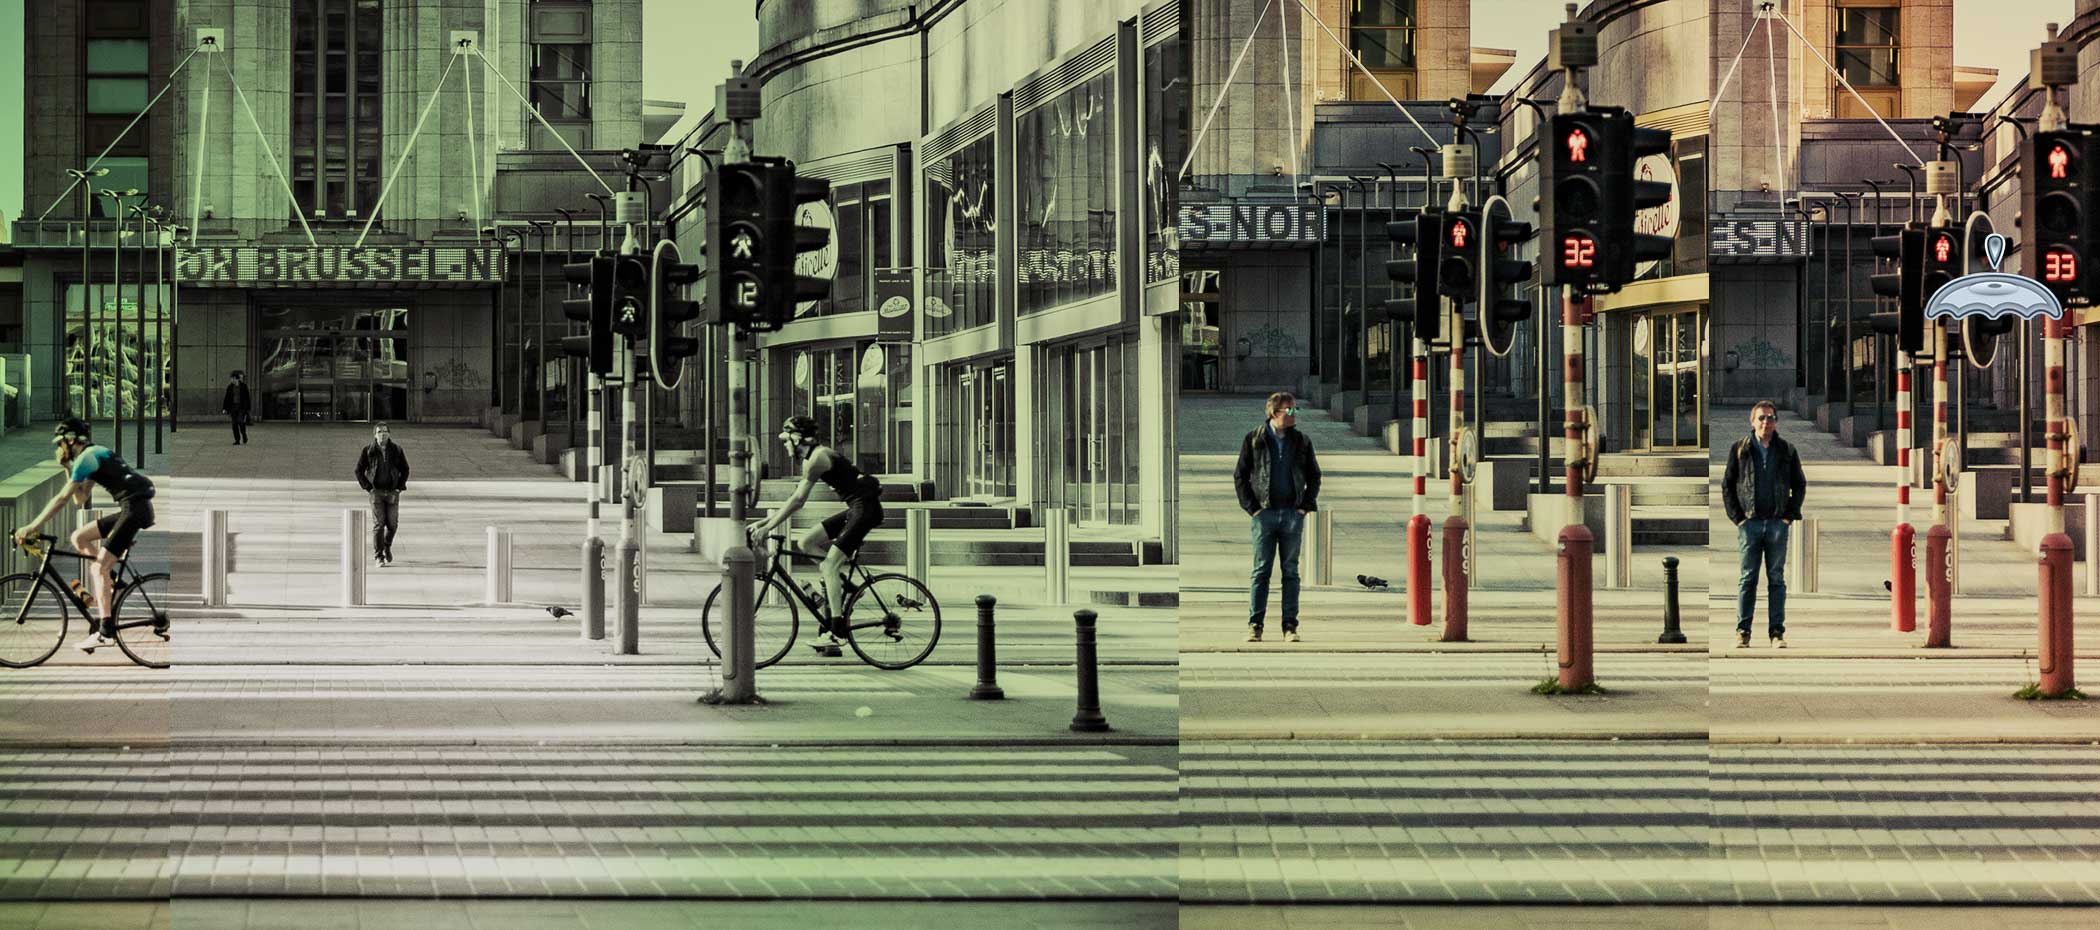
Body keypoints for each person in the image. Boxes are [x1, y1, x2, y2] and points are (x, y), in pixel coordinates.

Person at [12, 418, 157, 653]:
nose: (59, 449)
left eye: (60, 443)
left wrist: (32, 526)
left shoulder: (86, 458)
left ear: (71, 440)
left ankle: (105, 632)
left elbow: (62, 499)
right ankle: (114, 583)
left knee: (97, 569)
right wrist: (67, 468)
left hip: (133, 510)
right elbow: (81, 499)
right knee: (79, 537)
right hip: (133, 507)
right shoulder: (92, 455)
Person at [748, 415, 885, 654]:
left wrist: (767, 528)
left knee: (830, 565)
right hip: (856, 508)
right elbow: (794, 499)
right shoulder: (814, 456)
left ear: (797, 438)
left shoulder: (817, 458)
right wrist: (765, 521)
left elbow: (798, 501)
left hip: (864, 510)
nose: (785, 445)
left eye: (786, 440)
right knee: (806, 542)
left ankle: (836, 632)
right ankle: (847, 587)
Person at [1233, 392, 1321, 643]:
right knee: (1261, 571)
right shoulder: (1254, 439)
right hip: (1265, 515)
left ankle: (1290, 626)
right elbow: (1240, 475)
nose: (1294, 414)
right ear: (1274, 413)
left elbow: (1314, 475)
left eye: (1295, 410)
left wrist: (1305, 505)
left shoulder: (1302, 441)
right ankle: (1255, 625)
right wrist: (1253, 508)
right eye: (1289, 410)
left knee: (1290, 572)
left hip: (1292, 515)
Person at [1722, 401, 1808, 649]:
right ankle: (1743, 631)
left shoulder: (1787, 450)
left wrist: (1788, 516)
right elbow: (1727, 485)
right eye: (1761, 418)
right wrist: (1738, 518)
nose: (1765, 423)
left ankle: (1777, 632)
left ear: (1776, 422)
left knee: (1776, 579)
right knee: (1748, 579)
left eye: (1770, 418)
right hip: (1749, 524)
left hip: (1776, 524)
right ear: (1752, 422)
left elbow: (1799, 484)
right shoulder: (1740, 449)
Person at [354, 422, 410, 565]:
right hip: (376, 492)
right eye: (379, 432)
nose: (382, 434)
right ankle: (379, 556)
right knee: (379, 525)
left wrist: (399, 487)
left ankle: (387, 546)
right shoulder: (368, 450)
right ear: (375, 435)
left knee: (392, 525)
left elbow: (405, 469)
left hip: (392, 492)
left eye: (385, 431)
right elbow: (358, 471)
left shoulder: (397, 450)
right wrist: (368, 487)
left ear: (389, 434)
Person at [222, 370, 252, 444]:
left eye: (232, 378)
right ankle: (237, 440)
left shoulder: (244, 386)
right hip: (233, 407)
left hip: (241, 407)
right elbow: (227, 398)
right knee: (234, 424)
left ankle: (244, 435)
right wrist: (224, 408)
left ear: (236, 378)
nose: (231, 380)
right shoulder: (230, 387)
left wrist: (247, 408)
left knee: (241, 422)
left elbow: (247, 398)